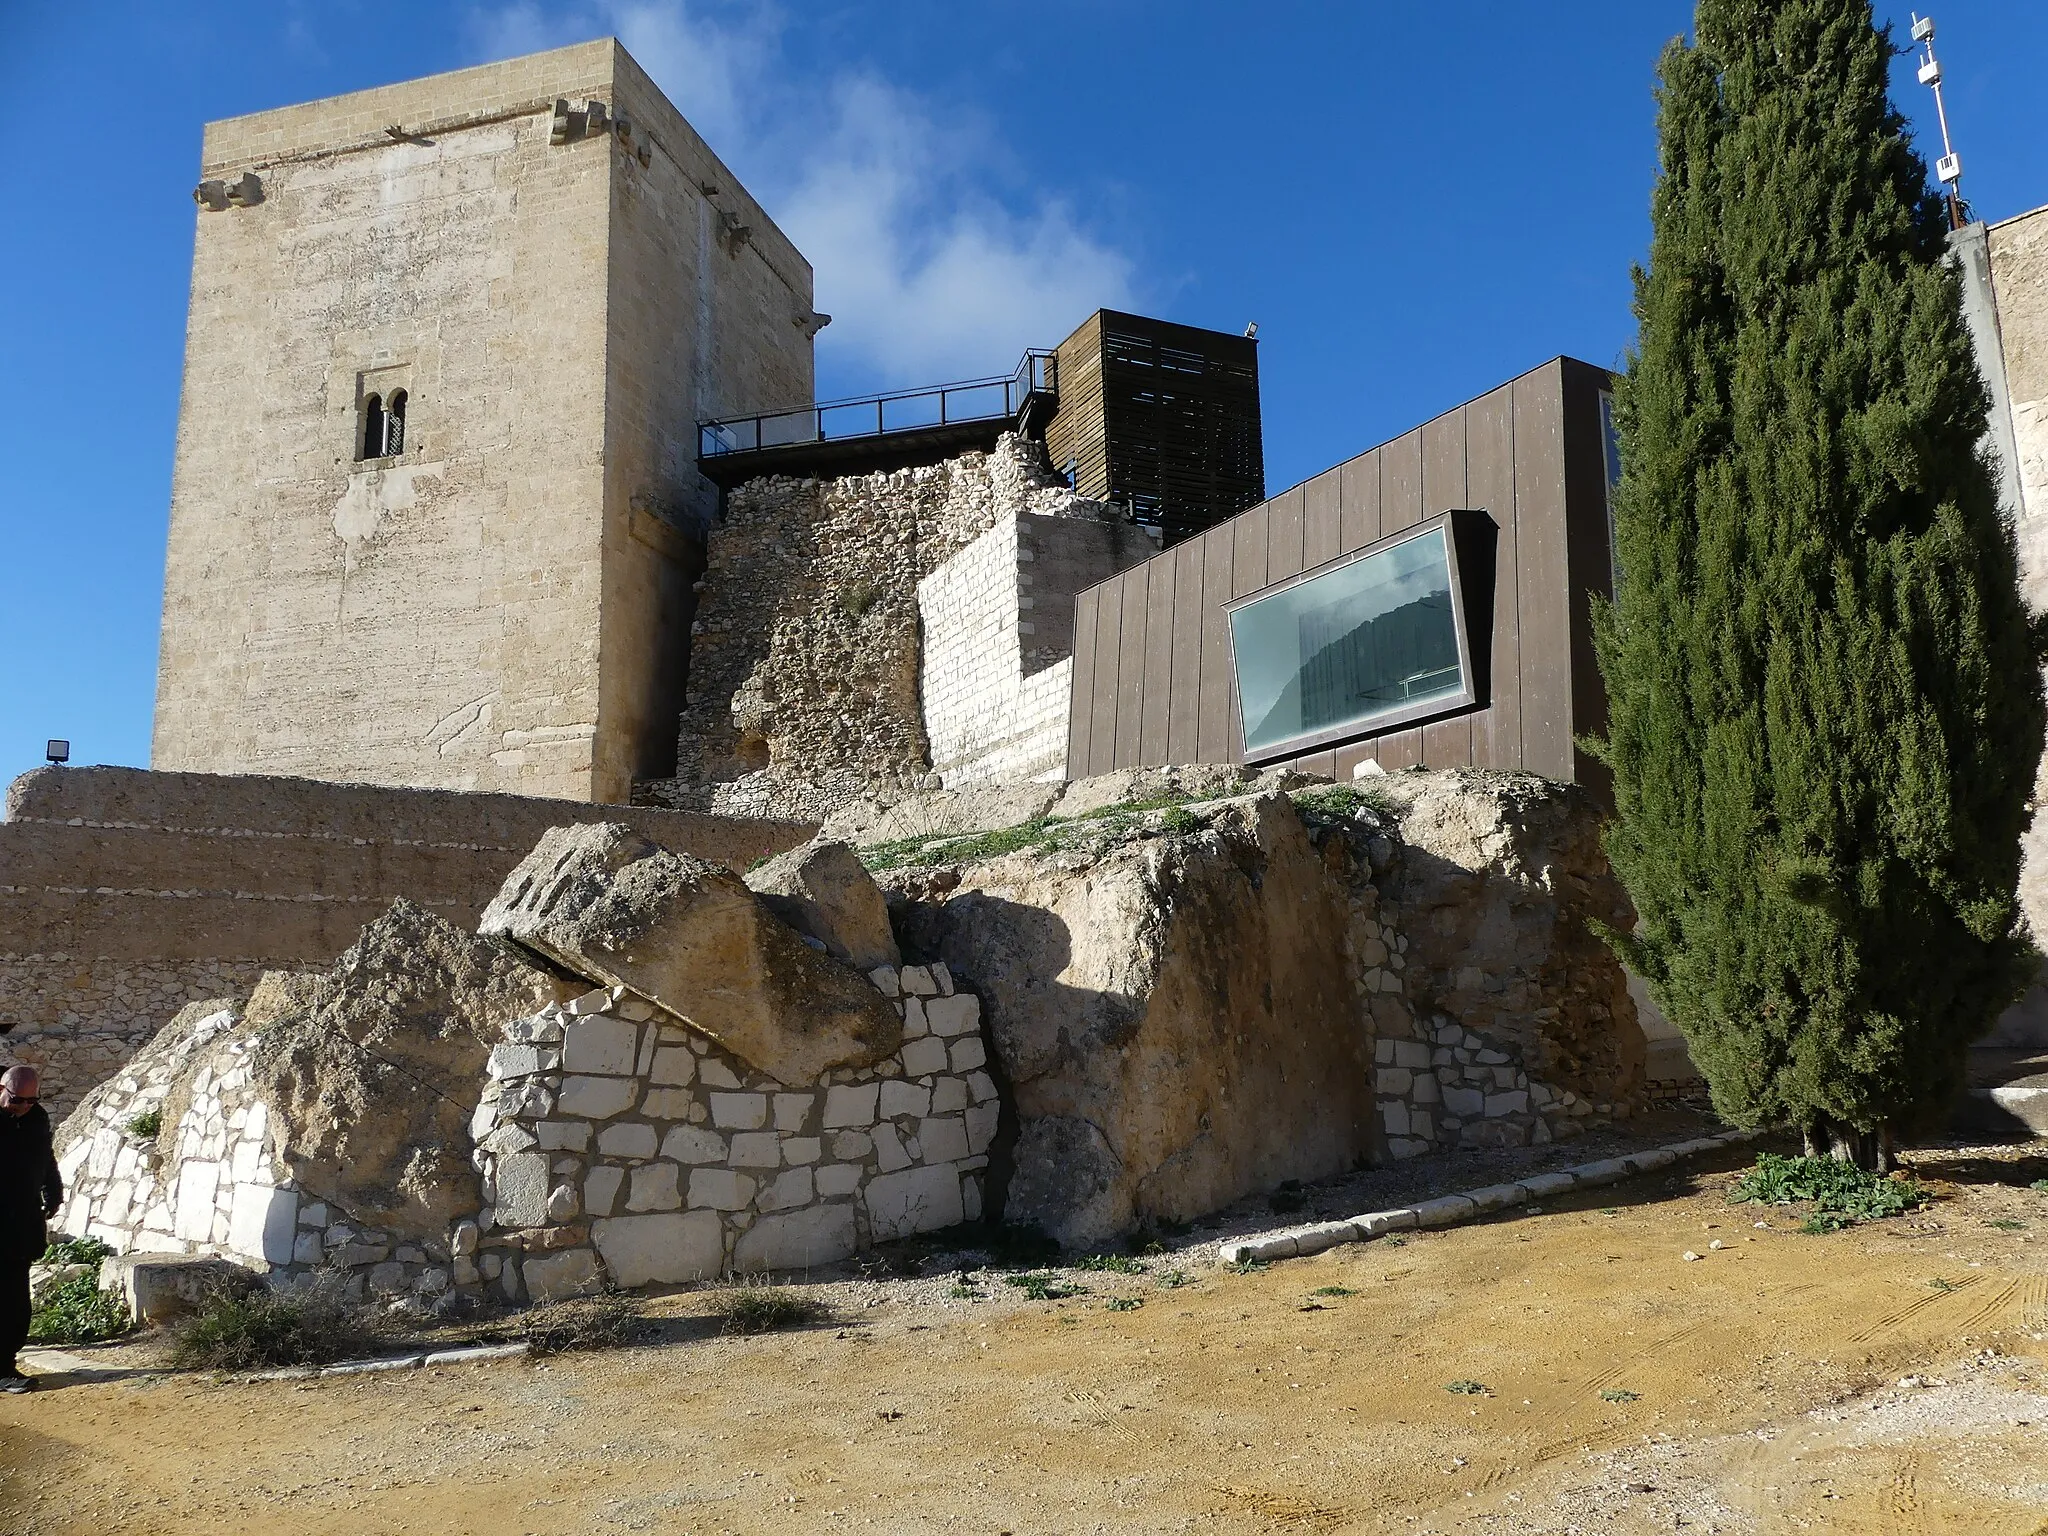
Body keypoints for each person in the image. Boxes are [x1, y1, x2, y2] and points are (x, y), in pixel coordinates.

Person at [1, 1064, 62, 1393]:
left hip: (21, 1224)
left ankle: (5, 1363)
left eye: (31, 1100)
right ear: (2, 1090)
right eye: (16, 1100)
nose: (23, 1105)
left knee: (16, 1302)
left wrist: (53, 1190)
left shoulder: (36, 1118)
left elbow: (45, 1157)